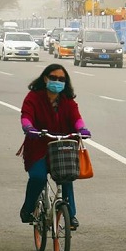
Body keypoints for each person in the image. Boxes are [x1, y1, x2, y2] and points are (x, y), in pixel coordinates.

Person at [19, 63, 91, 230]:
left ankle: (70, 215)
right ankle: (28, 209)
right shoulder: (34, 97)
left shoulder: (67, 101)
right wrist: (29, 127)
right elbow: (26, 115)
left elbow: (76, 118)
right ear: (45, 78)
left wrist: (82, 129)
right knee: (38, 177)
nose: (57, 81)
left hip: (62, 146)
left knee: (65, 177)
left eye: (61, 79)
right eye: (53, 78)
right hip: (38, 146)